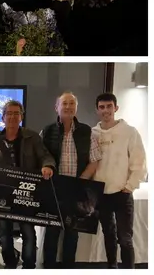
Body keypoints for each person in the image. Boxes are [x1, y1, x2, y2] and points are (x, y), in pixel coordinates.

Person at [0, 100, 56, 269]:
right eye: (9, 113)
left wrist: (47, 166)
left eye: (16, 113)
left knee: (28, 232)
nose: (12, 117)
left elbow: (45, 156)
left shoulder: (32, 137)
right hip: (2, 195)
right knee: (5, 234)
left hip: (27, 194)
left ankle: (29, 266)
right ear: (2, 117)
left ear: (21, 116)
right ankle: (10, 264)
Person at [40, 92, 102, 269]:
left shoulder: (87, 132)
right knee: (51, 233)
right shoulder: (47, 131)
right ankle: (49, 269)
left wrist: (81, 182)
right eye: (64, 103)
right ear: (56, 107)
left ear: (76, 108)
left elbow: (94, 160)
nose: (68, 107)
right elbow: (40, 157)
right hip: (53, 190)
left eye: (72, 104)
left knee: (72, 233)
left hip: (77, 190)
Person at [92, 93, 147, 269]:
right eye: (102, 107)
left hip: (122, 193)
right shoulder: (93, 133)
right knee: (108, 235)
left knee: (125, 238)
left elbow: (139, 162)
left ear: (116, 108)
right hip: (101, 194)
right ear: (97, 110)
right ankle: (112, 268)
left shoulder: (129, 132)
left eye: (109, 106)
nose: (106, 110)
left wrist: (130, 186)